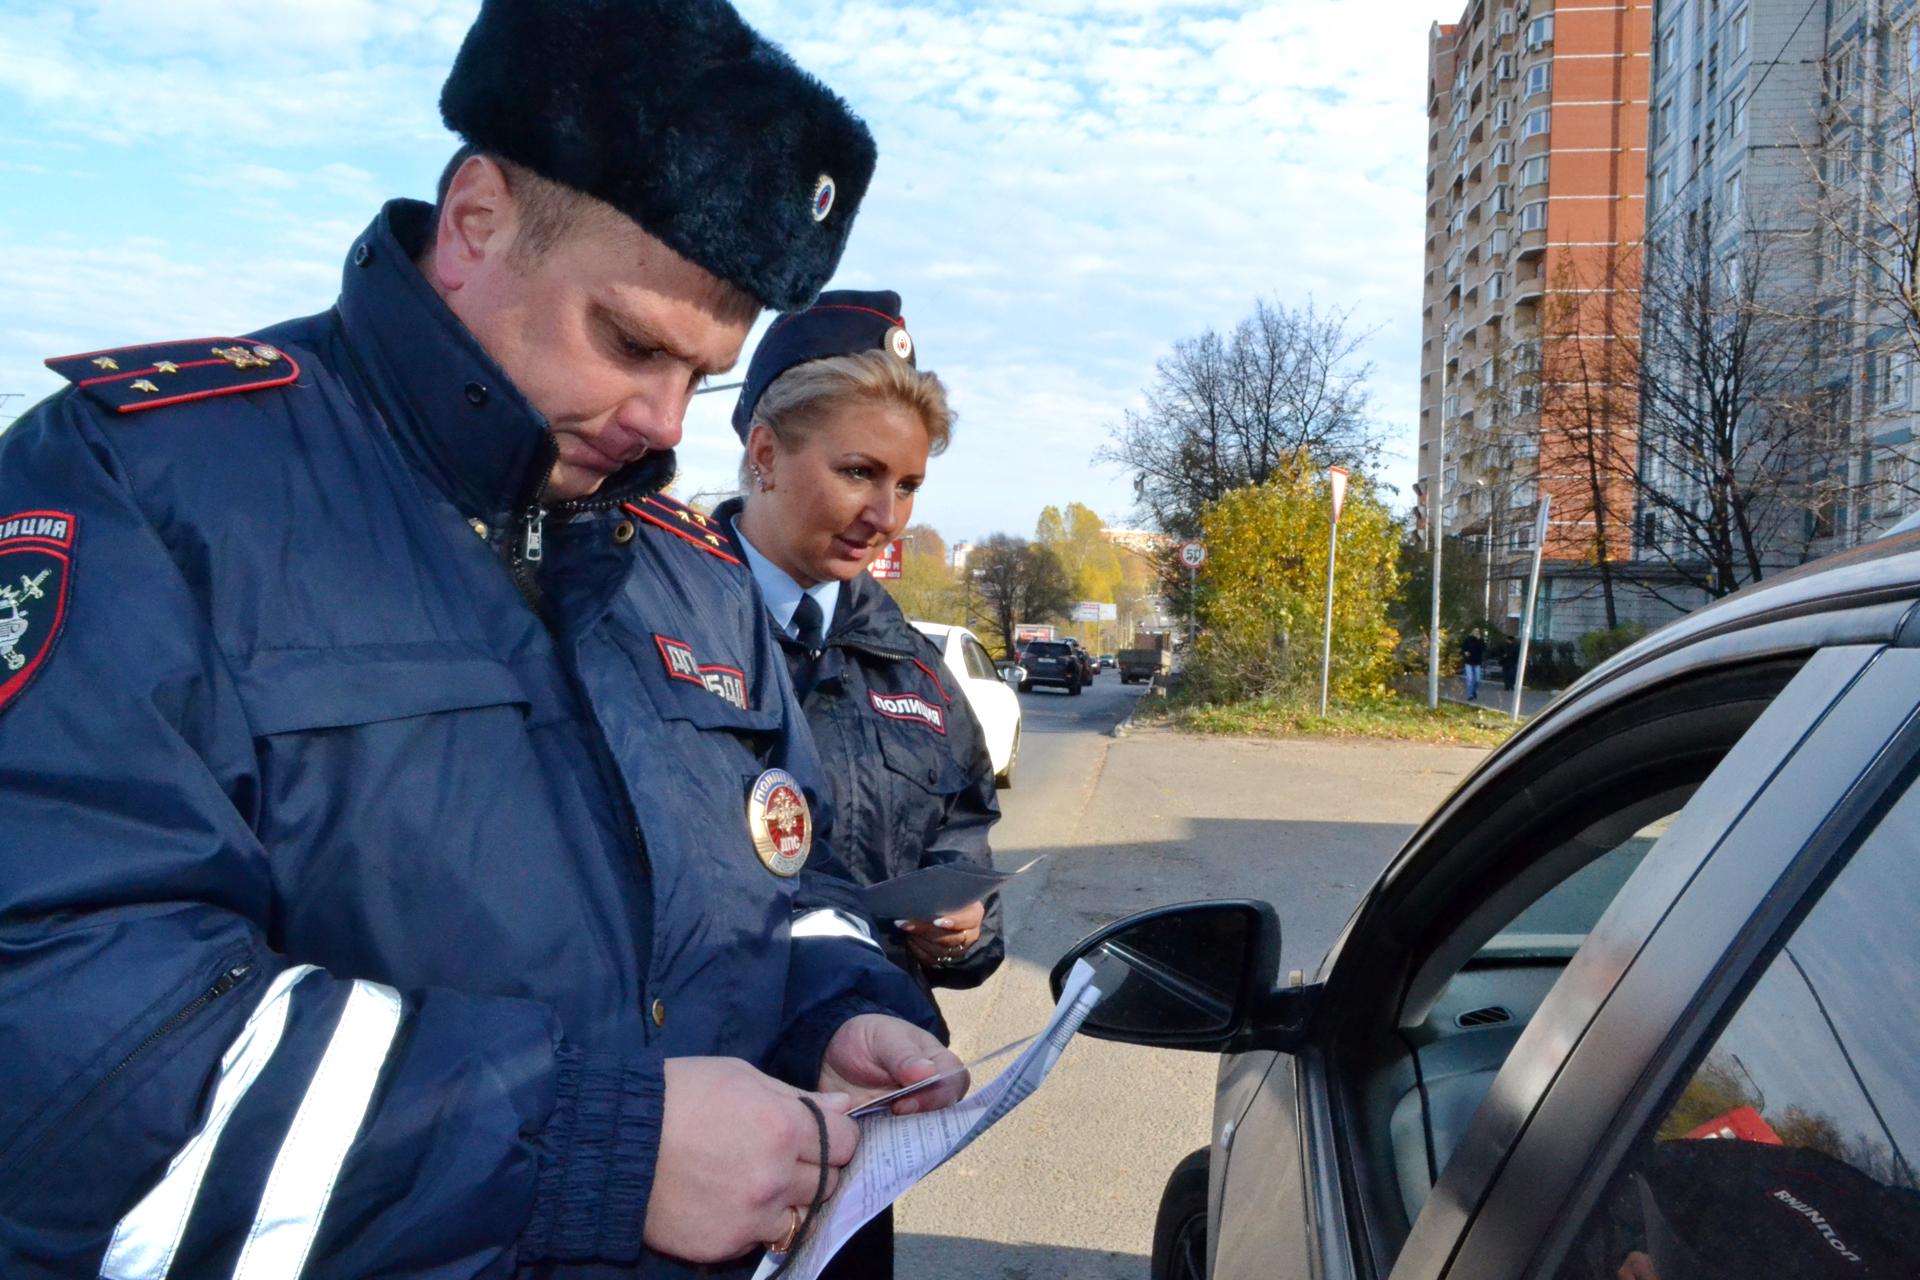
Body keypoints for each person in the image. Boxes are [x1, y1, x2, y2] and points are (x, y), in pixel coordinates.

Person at [0, 2, 965, 1276]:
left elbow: (793, 879)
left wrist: (841, 1009)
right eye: (629, 340)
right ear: (475, 220)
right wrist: (593, 1149)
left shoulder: (694, 574)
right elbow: (58, 1041)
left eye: (705, 378)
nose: (660, 418)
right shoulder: (141, 485)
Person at [714, 290, 1007, 1279]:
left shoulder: (914, 667)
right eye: (858, 471)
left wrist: (967, 918)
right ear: (763, 451)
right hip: (701, 1123)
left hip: (860, 1130)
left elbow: (964, 830)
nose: (887, 515)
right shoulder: (650, 625)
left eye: (910, 483)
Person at [1461, 627, 1486, 701]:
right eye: (1475, 631)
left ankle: (1474, 691)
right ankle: (1470, 695)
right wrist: (1465, 652)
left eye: (1477, 632)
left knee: (1477, 680)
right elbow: (1462, 648)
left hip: (1477, 663)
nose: (1476, 633)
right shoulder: (1468, 639)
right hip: (1468, 662)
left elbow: (1484, 649)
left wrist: (1480, 640)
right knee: (1470, 679)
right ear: (1472, 632)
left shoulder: (1481, 640)